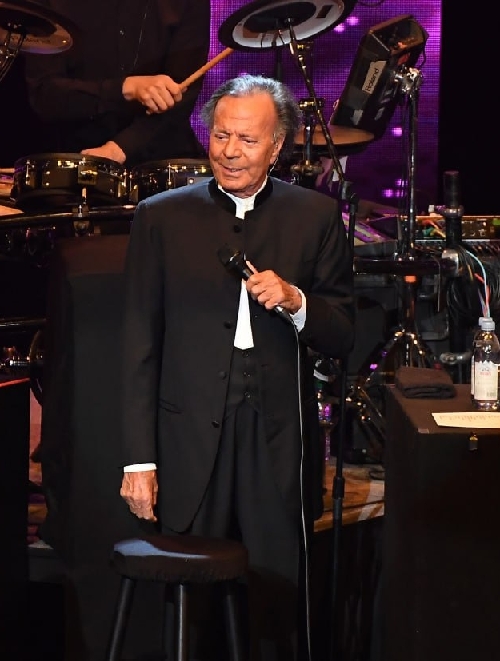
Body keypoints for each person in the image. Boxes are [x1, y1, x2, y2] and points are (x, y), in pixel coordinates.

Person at [119, 74, 356, 660]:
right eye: (221, 136)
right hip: (187, 436)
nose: (229, 151)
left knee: (276, 600)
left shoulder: (316, 215)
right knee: (191, 610)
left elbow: (344, 333)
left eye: (247, 140)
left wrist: (298, 302)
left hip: (277, 437)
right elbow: (137, 344)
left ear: (277, 147)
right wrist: (138, 460)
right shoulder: (160, 217)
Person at [23, 1, 210, 164]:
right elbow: (44, 93)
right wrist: (124, 88)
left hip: (159, 160)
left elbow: (182, 93)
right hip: (69, 156)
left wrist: (120, 148)